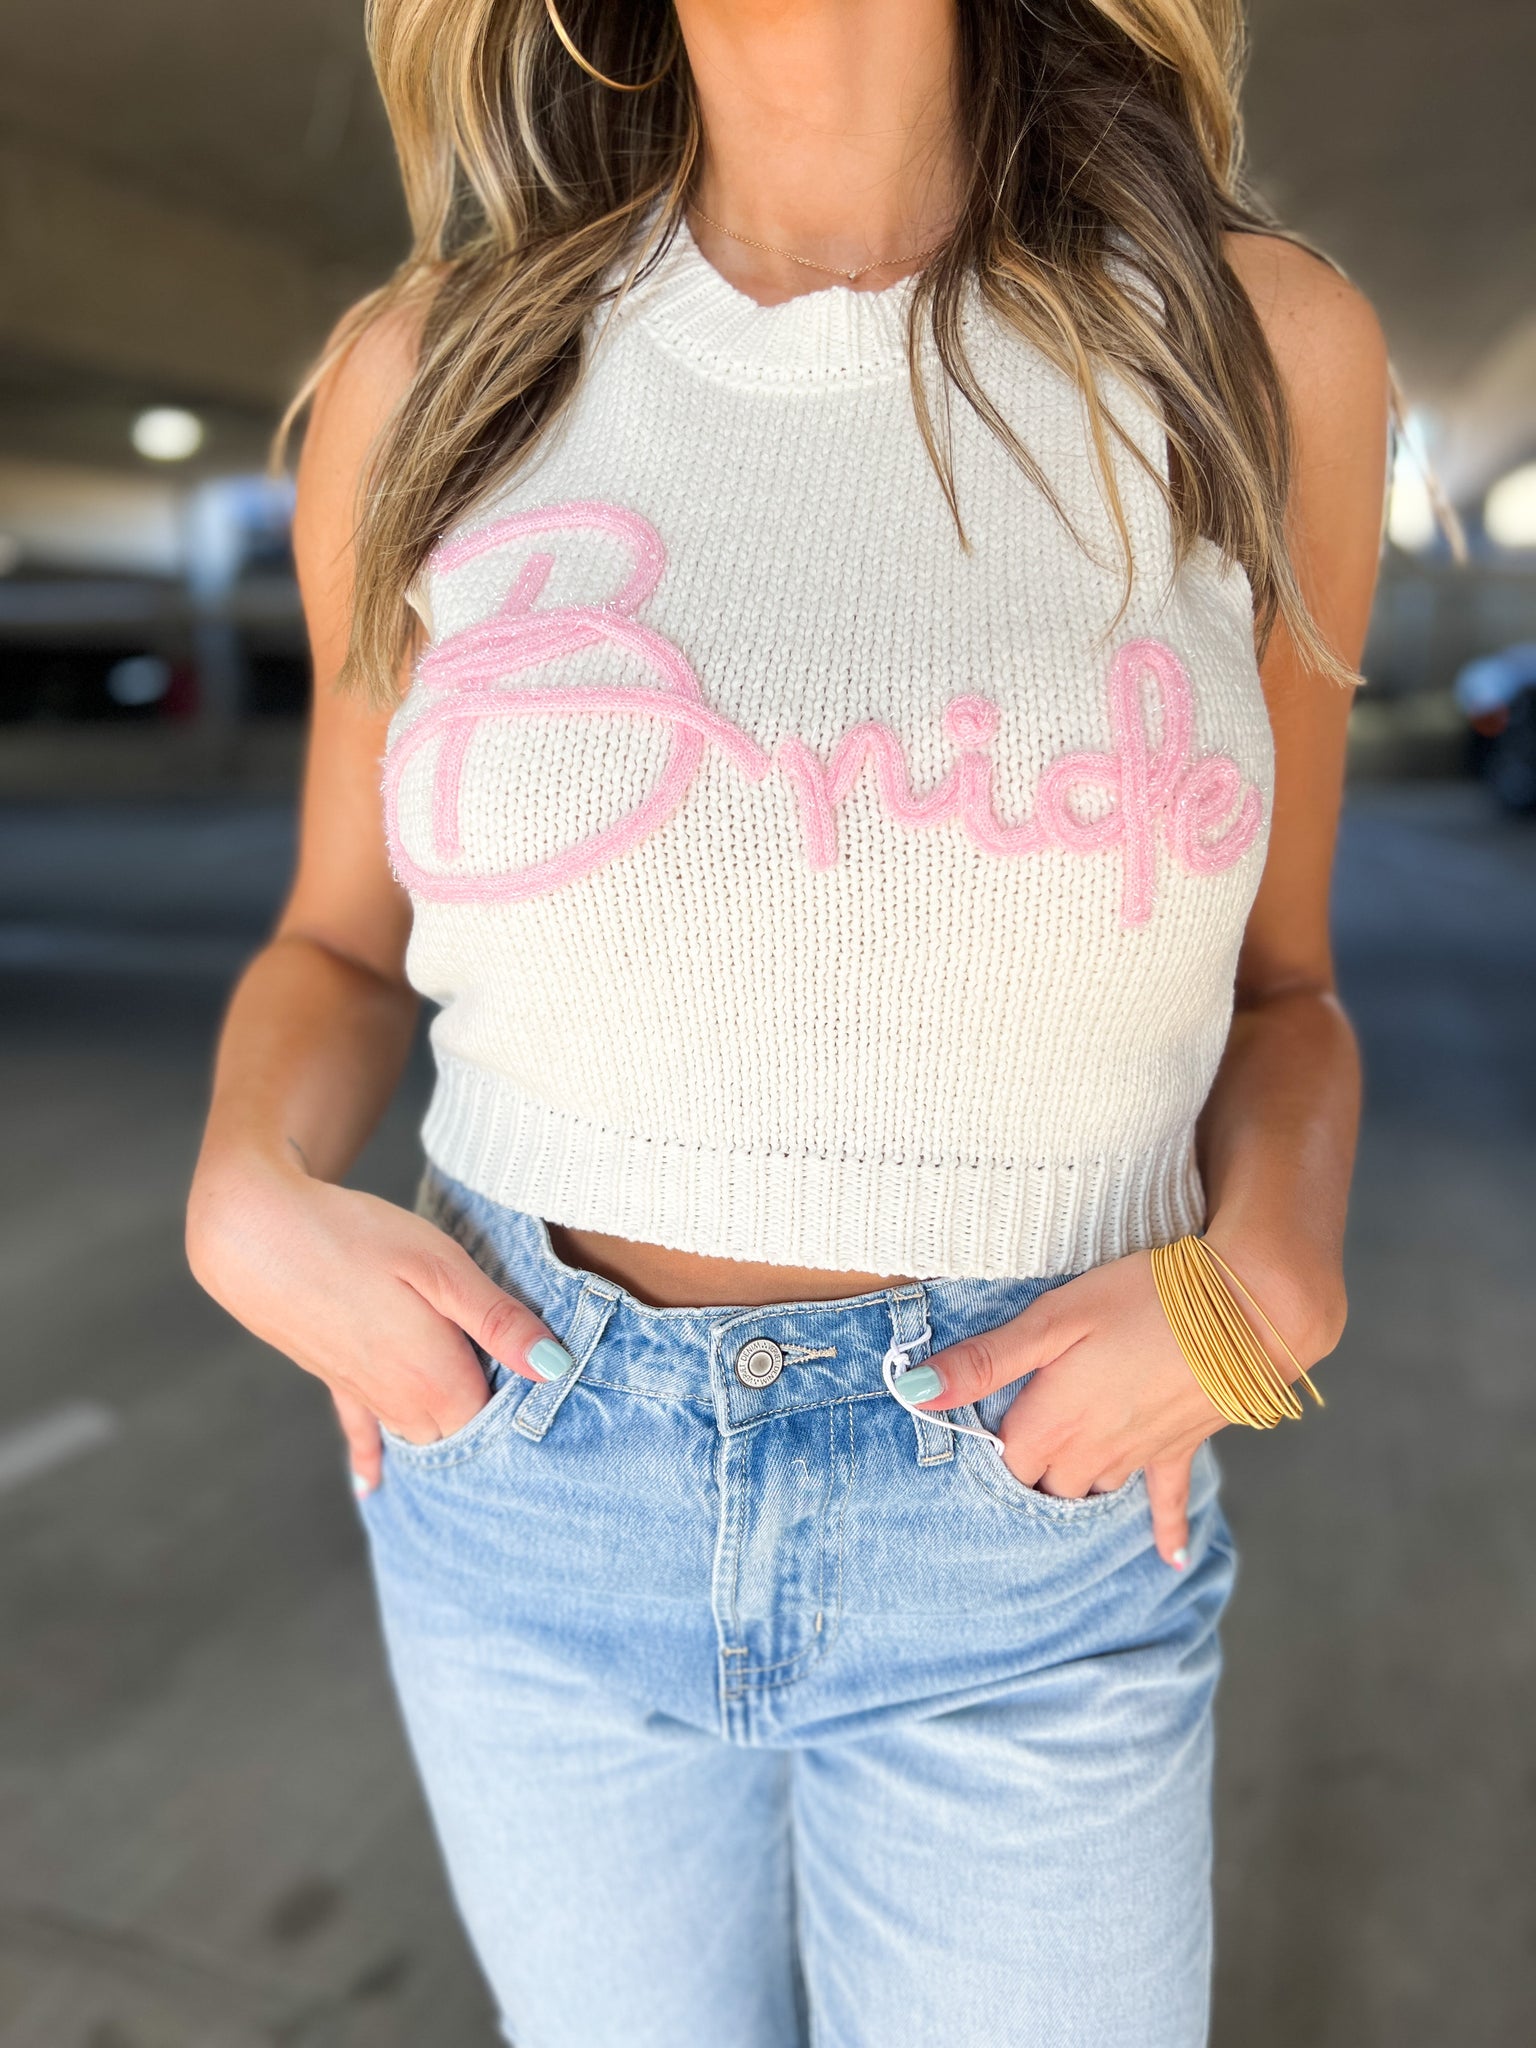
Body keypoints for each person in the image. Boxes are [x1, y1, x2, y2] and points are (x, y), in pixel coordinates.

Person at [186, 3, 1389, 2042]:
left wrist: (1267, 1273)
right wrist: (241, 1196)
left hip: (1030, 1500)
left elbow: (1287, 996)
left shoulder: (1252, 350)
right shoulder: (436, 375)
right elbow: (337, 947)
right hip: (523, 1466)